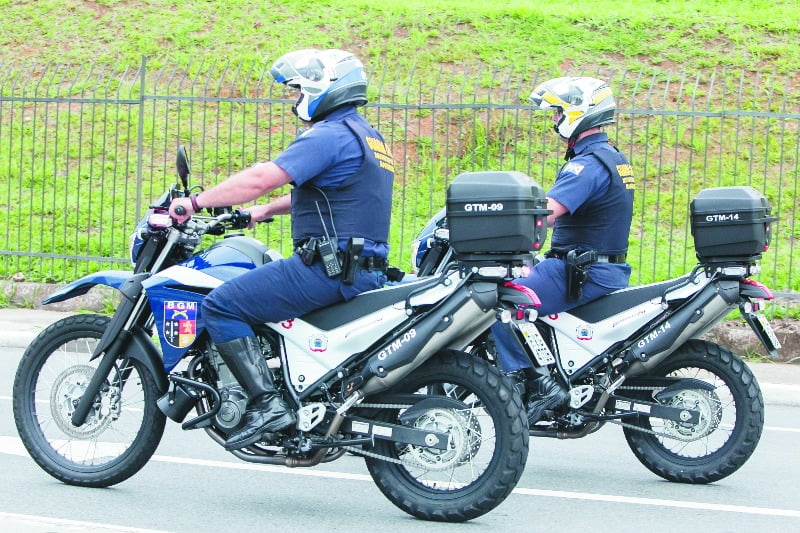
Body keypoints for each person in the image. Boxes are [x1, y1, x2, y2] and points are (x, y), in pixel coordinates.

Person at [169, 49, 395, 450]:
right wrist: (266, 210)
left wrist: (196, 202)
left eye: (296, 91)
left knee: (222, 305)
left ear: (321, 87)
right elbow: (336, 193)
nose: (294, 101)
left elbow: (261, 178)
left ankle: (267, 404)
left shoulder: (328, 135)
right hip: (361, 267)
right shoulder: (367, 137)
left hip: (325, 271)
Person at [492, 76, 635, 425]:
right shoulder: (612, 157)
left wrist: (494, 226)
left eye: (558, 112)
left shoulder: (586, 165)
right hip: (598, 266)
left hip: (582, 272)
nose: (554, 120)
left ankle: (536, 382)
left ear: (580, 112)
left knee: (497, 300)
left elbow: (548, 213)